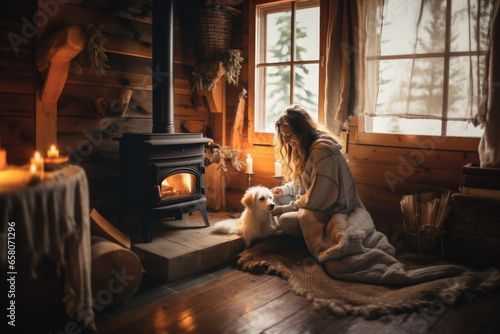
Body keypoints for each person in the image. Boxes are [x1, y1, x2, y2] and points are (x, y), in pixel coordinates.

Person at [271, 104, 366, 238]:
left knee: (285, 221)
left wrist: (286, 209)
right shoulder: (304, 149)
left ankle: (308, 239)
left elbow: (317, 199)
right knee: (274, 200)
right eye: (283, 136)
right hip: (312, 204)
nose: (286, 141)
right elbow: (304, 183)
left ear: (301, 131)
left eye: (289, 135)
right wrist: (284, 190)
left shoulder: (321, 151)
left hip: (329, 210)